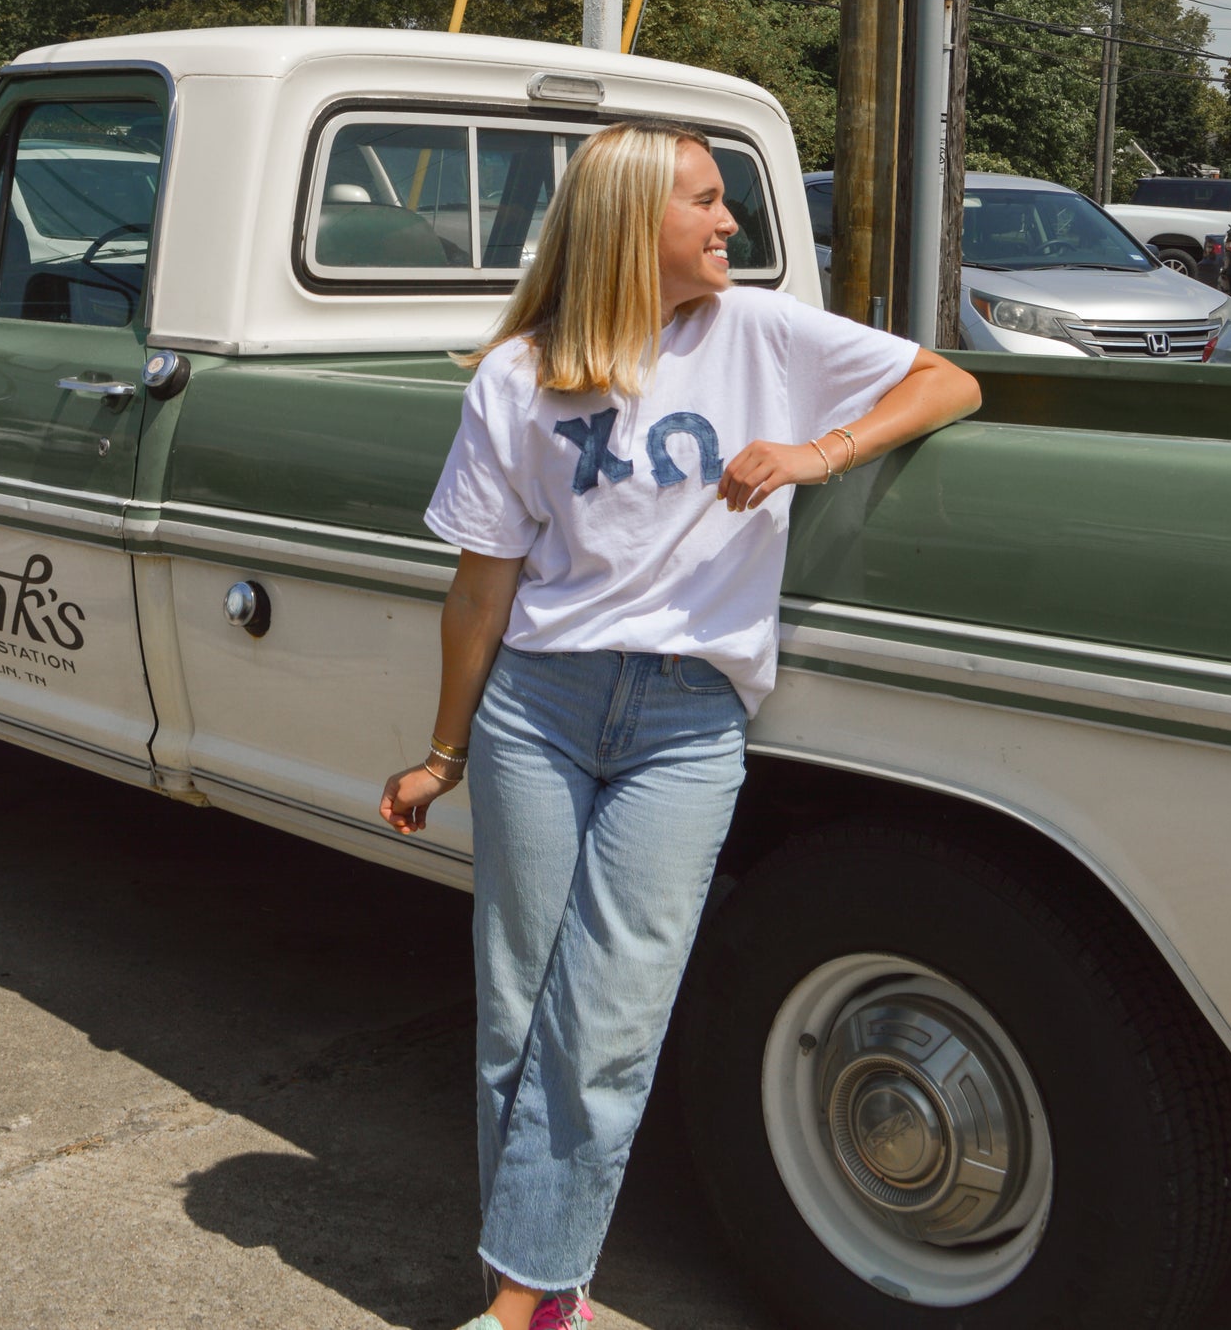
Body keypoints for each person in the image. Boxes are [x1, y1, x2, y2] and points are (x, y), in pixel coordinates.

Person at [380, 119, 981, 1330]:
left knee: (603, 1024)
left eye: (724, 201)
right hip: (534, 715)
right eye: (704, 202)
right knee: (517, 1016)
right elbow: (482, 588)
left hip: (683, 723)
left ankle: (517, 1308)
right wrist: (442, 750)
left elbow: (948, 379)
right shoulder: (516, 376)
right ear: (626, 226)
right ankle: (540, 1302)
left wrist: (820, 449)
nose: (730, 223)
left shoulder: (758, 333)